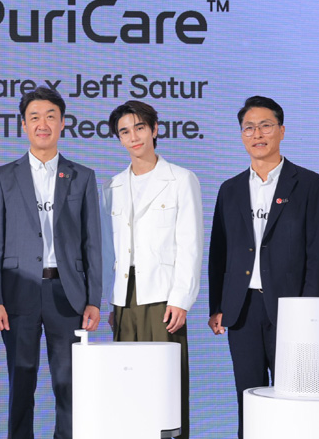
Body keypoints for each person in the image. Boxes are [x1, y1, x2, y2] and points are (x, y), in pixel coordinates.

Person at [208, 96, 319, 438]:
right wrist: (217, 306)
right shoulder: (230, 189)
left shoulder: (308, 184)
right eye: (249, 128)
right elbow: (219, 253)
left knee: (295, 397)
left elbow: (318, 253)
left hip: (291, 309)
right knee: (249, 398)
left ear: (281, 131)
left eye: (265, 126)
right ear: (241, 135)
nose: (257, 134)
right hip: (242, 309)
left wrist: (309, 312)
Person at [0, 86, 102, 439]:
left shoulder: (82, 176)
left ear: (63, 123)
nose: (43, 124)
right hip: (18, 292)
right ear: (23, 125)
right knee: (21, 381)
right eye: (34, 117)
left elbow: (92, 243)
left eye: (51, 116)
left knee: (69, 385)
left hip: (67, 293)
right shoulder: (3, 176)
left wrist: (94, 299)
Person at [101, 100, 202, 439]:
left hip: (163, 297)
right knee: (128, 385)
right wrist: (112, 300)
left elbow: (190, 243)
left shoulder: (181, 179)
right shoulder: (112, 186)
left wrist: (181, 299)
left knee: (166, 385)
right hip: (124, 298)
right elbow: (110, 249)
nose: (133, 137)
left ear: (155, 129)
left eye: (140, 128)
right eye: (124, 132)